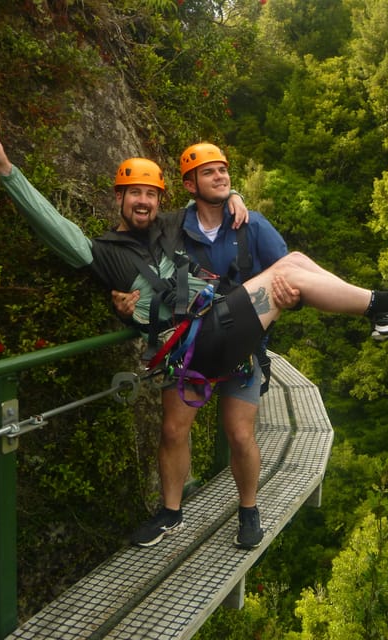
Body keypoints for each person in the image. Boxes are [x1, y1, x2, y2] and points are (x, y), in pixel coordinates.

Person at [0, 115, 388, 549]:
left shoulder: (169, 228)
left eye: (151, 194)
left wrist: (235, 196)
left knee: (291, 267)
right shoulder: (101, 253)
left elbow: (207, 197)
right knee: (175, 429)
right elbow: (54, 226)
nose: (144, 202)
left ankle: (381, 307)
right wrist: (7, 172)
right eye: (134, 194)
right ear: (118, 199)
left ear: (161, 201)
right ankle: (383, 307)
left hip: (213, 331)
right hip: (195, 340)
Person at [112, 142, 291, 549]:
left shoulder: (250, 225)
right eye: (209, 172)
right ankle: (170, 512)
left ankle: (249, 509)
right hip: (192, 347)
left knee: (240, 434)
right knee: (173, 430)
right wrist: (123, 303)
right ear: (190, 185)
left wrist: (281, 303)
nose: (220, 177)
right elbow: (135, 236)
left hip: (241, 345)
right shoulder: (172, 227)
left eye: (223, 170)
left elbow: (285, 271)